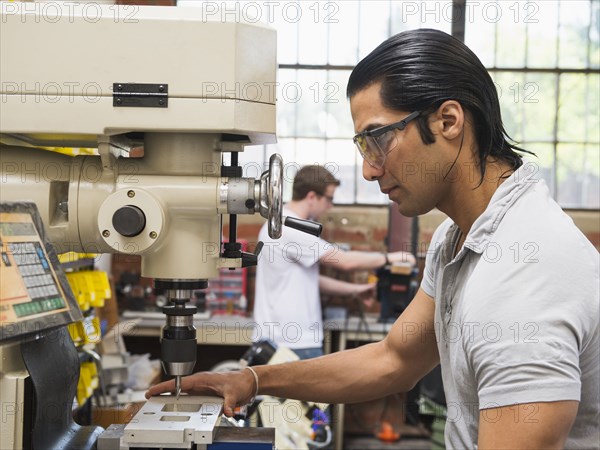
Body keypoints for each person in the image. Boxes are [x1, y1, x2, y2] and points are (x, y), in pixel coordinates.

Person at [147, 29, 599, 448]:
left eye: (377, 140)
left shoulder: (524, 271)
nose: (368, 168)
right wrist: (253, 380)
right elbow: (393, 360)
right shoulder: (454, 240)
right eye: (362, 147)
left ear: (448, 121)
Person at [253, 164, 415, 359]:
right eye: (329, 198)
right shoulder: (287, 227)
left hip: (287, 341)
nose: (330, 206)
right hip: (289, 344)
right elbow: (345, 261)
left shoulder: (281, 224)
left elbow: (311, 281)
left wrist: (356, 290)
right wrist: (391, 257)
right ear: (312, 197)